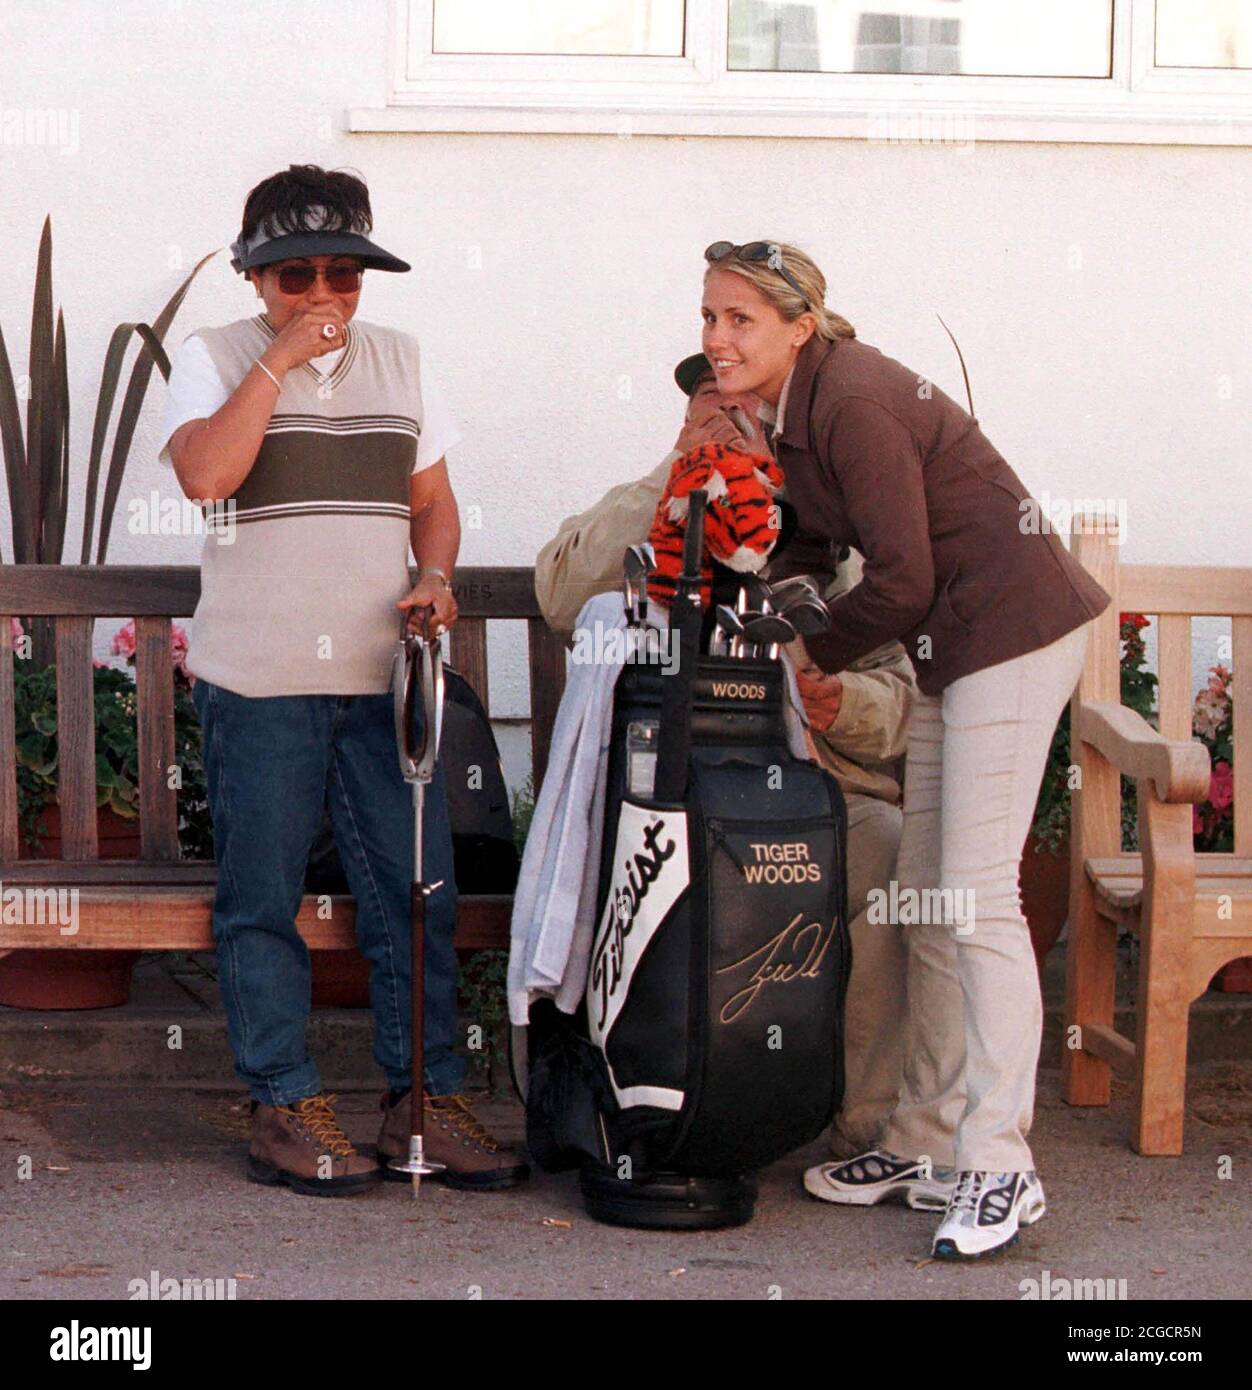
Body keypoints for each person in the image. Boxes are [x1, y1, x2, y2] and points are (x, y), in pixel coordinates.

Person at [690, 240, 1109, 1259]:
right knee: (926, 893)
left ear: (800, 324)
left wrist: (814, 650)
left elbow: (905, 575)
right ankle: (925, 1139)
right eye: (707, 316)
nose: (715, 338)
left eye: (739, 318)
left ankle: (1001, 1163)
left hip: (1007, 634)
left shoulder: (854, 402)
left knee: (975, 899)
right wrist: (753, 591)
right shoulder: (791, 410)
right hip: (947, 649)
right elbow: (813, 545)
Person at [159, 163, 527, 1196]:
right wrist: (277, 360)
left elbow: (433, 504)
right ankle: (283, 1101)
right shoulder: (213, 357)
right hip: (260, 679)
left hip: (385, 683)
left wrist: (438, 575)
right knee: (261, 900)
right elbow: (206, 476)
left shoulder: (404, 363)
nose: (323, 294)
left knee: (415, 896)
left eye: (344, 274)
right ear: (254, 277)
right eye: (296, 275)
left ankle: (427, 1099)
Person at [534, 361, 919, 1160]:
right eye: (710, 398)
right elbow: (564, 595)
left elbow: (900, 698)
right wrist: (676, 476)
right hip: (656, 796)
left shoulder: (822, 535)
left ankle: (864, 1121)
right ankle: (646, 1097)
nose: (726, 413)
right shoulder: (651, 508)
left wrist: (842, 702)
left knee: (883, 847)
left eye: (745, 402)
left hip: (807, 796)